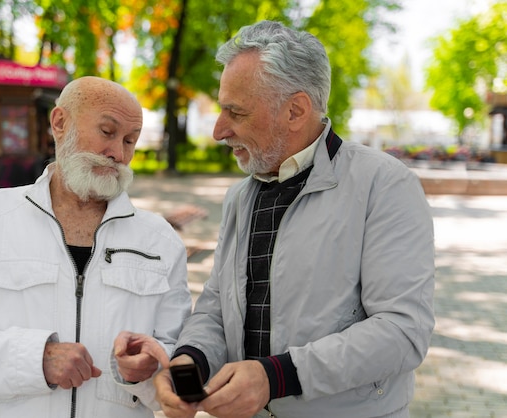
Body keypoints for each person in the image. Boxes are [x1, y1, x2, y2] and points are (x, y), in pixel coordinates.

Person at [154, 20, 435, 418]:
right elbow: (218, 306)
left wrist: (276, 377)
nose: (219, 130)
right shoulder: (241, 196)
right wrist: (191, 360)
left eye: (235, 112)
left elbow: (403, 332)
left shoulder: (385, 186)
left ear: (296, 110)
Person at [0, 76, 192, 418]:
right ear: (60, 123)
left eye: (130, 141)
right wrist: (35, 359)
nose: (118, 153)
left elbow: (179, 359)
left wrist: (148, 371)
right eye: (107, 132)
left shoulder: (160, 241)